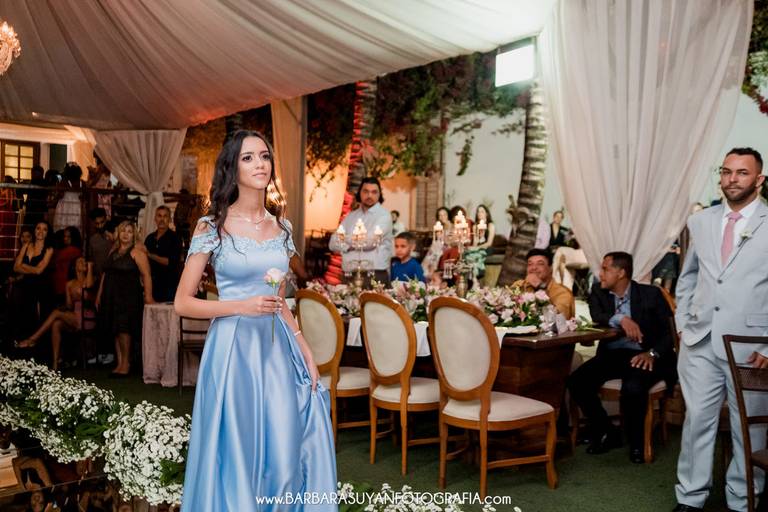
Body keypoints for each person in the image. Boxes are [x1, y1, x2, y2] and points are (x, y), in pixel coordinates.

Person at [175, 130, 336, 510]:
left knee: (284, 451)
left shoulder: (283, 227)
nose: (259, 164)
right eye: (248, 158)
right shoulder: (211, 226)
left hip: (277, 349)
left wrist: (305, 348)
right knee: (238, 453)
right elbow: (182, 303)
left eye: (264, 156)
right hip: (232, 351)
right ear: (232, 168)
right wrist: (240, 306)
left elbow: (279, 299)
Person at [674, 147, 768, 512]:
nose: (732, 179)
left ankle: (743, 500)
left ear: (759, 179)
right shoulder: (701, 221)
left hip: (752, 346)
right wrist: (683, 324)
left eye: (742, 172)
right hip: (699, 342)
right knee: (696, 421)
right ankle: (690, 497)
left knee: (749, 428)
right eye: (727, 171)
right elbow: (688, 277)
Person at [568, 252, 675, 464]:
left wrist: (652, 354)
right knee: (577, 381)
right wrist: (622, 318)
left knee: (633, 388)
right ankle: (608, 431)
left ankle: (637, 444)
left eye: (605, 269)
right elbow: (598, 315)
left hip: (647, 355)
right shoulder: (598, 291)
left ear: (621, 273)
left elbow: (669, 333)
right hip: (614, 354)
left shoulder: (651, 294)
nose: (600, 274)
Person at [96, 221, 153, 377]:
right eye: (123, 231)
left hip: (128, 297)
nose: (126, 234)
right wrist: (99, 294)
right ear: (118, 233)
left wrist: (148, 296)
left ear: (134, 235)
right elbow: (106, 273)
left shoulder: (137, 252)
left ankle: (126, 364)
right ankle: (119, 363)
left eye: (129, 231)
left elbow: (147, 275)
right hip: (111, 296)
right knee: (115, 329)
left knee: (124, 329)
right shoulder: (113, 251)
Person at [16, 257, 95, 370]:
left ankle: (33, 339)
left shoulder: (90, 278)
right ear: (75, 267)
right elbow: (69, 306)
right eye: (80, 261)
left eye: (84, 261)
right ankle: (55, 363)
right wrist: (65, 306)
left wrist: (90, 267)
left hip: (87, 316)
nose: (84, 263)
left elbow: (89, 286)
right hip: (74, 317)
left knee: (56, 313)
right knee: (56, 324)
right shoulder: (69, 284)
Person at [329, 177, 393, 285]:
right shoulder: (351, 216)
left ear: (379, 195)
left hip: (374, 274)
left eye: (374, 192)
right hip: (348, 274)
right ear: (360, 193)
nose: (369, 195)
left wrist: (345, 239)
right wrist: (350, 245)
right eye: (366, 191)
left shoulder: (384, 216)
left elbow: (369, 242)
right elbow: (332, 243)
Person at [12, 221, 54, 340]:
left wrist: (23, 266)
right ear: (34, 230)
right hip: (26, 286)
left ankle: (34, 343)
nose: (40, 231)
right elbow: (15, 267)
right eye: (38, 228)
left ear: (47, 233)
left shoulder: (49, 249)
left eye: (44, 229)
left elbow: (39, 271)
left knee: (39, 320)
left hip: (42, 288)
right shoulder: (26, 245)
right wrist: (31, 269)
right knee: (24, 318)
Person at [513, 248, 575, 319]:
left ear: (550, 268)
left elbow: (559, 319)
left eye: (540, 264)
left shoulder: (562, 293)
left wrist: (540, 287)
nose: (534, 268)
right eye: (530, 264)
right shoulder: (519, 285)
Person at [144, 205, 182, 302]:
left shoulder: (175, 238)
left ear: (169, 219)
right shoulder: (149, 238)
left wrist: (149, 255)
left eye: (165, 216)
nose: (162, 219)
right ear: (155, 219)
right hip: (151, 286)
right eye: (159, 216)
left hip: (169, 287)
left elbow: (171, 262)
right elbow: (144, 260)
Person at [51, 226, 83, 305]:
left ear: (74, 237)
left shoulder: (72, 250)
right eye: (64, 236)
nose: (65, 239)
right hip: (61, 284)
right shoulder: (68, 249)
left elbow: (53, 259)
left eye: (68, 237)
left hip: (63, 285)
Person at [421, 207, 452, 279]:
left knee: (436, 249)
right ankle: (425, 272)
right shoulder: (439, 226)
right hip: (438, 246)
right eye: (440, 215)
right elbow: (436, 240)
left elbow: (450, 241)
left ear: (448, 215)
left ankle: (430, 272)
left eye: (444, 214)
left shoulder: (451, 225)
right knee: (434, 246)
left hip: (447, 246)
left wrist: (442, 238)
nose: (442, 217)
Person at [53, 163, 83, 233]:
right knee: (76, 222)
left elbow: (60, 194)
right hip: (77, 206)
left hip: (65, 205)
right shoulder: (82, 183)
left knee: (63, 223)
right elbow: (83, 195)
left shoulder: (64, 182)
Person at [87, 207, 111, 280]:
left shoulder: (114, 236)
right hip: (98, 277)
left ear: (106, 219)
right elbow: (91, 260)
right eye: (97, 223)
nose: (100, 226)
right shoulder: (92, 240)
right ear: (93, 223)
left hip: (113, 277)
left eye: (102, 222)